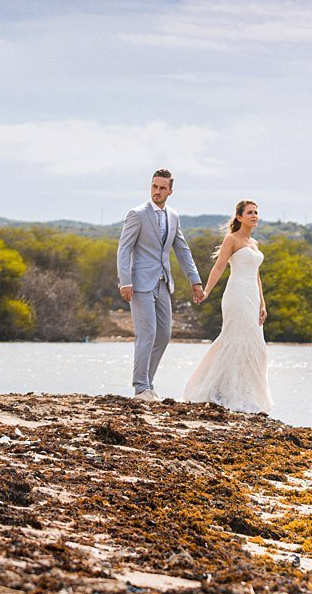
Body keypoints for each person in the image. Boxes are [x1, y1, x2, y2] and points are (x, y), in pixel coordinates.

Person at [116, 168, 204, 401]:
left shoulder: (173, 217)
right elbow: (124, 249)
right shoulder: (136, 214)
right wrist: (125, 281)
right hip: (139, 284)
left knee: (164, 335)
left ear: (170, 191)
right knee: (147, 333)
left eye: (162, 188)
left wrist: (195, 280)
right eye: (154, 187)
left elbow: (182, 250)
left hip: (163, 282)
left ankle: (148, 383)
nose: (157, 191)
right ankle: (141, 388)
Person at [182, 199, 272, 415]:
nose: (254, 216)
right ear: (239, 217)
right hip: (236, 295)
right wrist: (206, 291)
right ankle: (220, 390)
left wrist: (262, 302)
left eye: (256, 212)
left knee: (254, 342)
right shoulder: (231, 239)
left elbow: (256, 275)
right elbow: (219, 266)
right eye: (250, 212)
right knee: (234, 339)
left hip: (252, 297)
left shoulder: (255, 243)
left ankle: (244, 392)